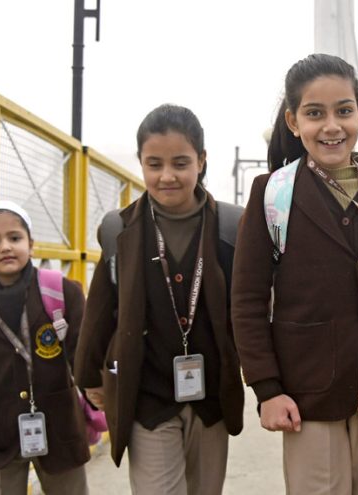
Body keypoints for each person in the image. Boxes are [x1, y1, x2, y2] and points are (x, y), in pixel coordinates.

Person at [231, 53, 358, 494]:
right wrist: (267, 389)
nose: (331, 126)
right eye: (314, 113)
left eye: (344, 111)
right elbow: (247, 300)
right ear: (292, 121)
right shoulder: (273, 196)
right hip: (307, 394)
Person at [74, 104, 244, 495]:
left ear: (201, 161)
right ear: (141, 163)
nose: (167, 176)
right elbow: (101, 306)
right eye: (154, 164)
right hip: (147, 395)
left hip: (213, 398)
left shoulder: (232, 228)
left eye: (180, 163)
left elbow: (251, 308)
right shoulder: (121, 230)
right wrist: (88, 376)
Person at [0, 200, 90, 495]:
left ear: (31, 244)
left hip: (60, 427)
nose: (6, 247)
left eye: (15, 238)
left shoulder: (62, 292)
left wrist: (101, 392)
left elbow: (84, 353)